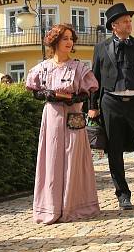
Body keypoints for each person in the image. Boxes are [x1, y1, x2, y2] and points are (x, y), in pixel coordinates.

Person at [25, 23, 100, 223]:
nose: (69, 42)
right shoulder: (43, 68)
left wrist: (75, 98)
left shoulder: (79, 67)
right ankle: (51, 207)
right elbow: (33, 91)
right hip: (52, 118)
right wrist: (48, 94)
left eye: (70, 38)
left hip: (74, 115)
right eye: (65, 38)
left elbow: (89, 90)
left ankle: (74, 206)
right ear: (55, 41)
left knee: (74, 158)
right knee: (52, 158)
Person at [88, 3, 134, 210]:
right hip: (111, 103)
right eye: (125, 21)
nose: (130, 24)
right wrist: (92, 105)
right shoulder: (100, 48)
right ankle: (123, 195)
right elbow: (95, 78)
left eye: (130, 20)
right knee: (115, 149)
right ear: (114, 26)